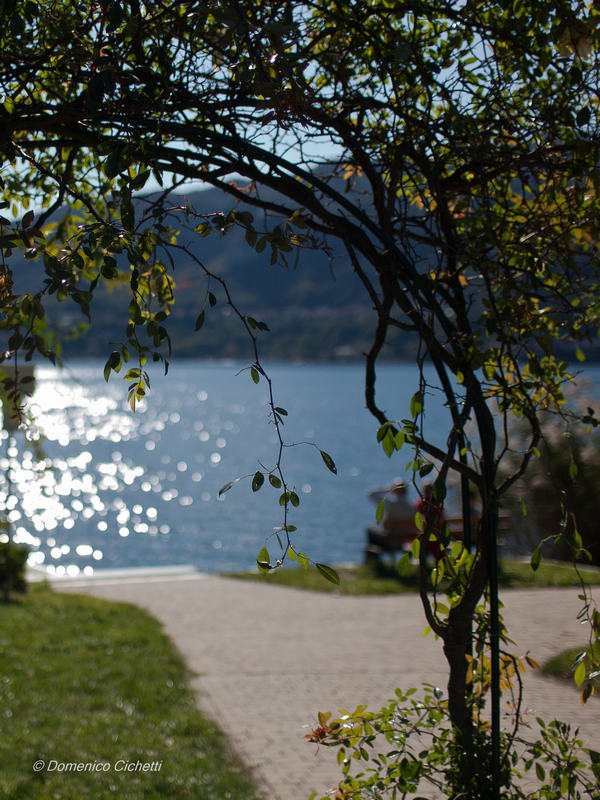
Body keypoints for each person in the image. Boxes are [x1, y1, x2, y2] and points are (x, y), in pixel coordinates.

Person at [366, 480, 416, 553]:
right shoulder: (412, 507)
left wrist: (389, 490)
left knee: (370, 529)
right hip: (405, 539)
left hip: (388, 539)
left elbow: (371, 495)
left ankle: (373, 557)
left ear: (395, 490)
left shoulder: (390, 504)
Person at [414, 481, 446, 560]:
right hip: (436, 535)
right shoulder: (437, 503)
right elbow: (442, 519)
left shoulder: (419, 503)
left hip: (423, 535)